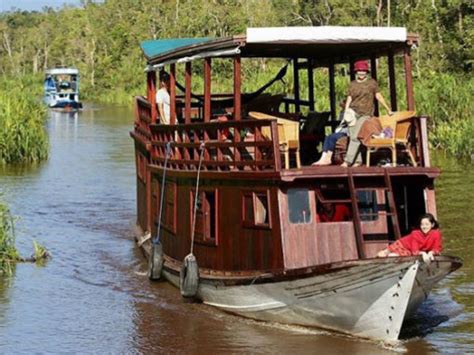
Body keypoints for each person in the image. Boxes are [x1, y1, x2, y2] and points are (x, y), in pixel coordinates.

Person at [341, 60, 392, 167]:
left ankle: (348, 161)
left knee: (356, 136)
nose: (361, 73)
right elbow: (349, 98)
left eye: (363, 71)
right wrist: (345, 111)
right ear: (356, 72)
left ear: (366, 72)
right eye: (359, 71)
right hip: (352, 113)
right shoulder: (353, 84)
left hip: (365, 113)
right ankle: (358, 161)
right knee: (352, 137)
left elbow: (378, 96)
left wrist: (388, 109)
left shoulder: (371, 83)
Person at [377, 213, 442, 263]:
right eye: (422, 224)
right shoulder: (415, 234)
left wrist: (431, 253)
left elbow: (437, 248)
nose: (424, 227)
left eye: (427, 224)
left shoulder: (436, 234)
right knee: (388, 256)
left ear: (432, 224)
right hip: (402, 246)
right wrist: (423, 253)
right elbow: (414, 251)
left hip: (411, 251)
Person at [312, 101, 348, 166]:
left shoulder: (350, 113)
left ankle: (328, 158)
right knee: (328, 137)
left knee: (332, 137)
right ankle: (323, 157)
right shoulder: (342, 112)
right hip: (341, 130)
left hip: (346, 132)